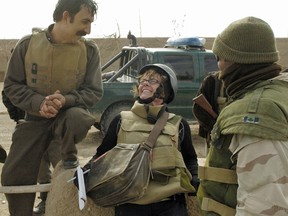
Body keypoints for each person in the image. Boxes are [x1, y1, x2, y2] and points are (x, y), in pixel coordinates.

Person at [1, 0, 103, 215]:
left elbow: (93, 91)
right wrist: (39, 103)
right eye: (85, 21)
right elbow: (12, 86)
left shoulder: (90, 50)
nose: (88, 29)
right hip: (34, 118)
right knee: (14, 176)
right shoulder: (28, 45)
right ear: (66, 16)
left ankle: (68, 156)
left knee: (74, 175)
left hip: (68, 121)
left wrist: (65, 100)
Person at [197, 16, 288, 215]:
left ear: (233, 60)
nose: (218, 66)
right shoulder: (279, 93)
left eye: (219, 58)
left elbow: (265, 205)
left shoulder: (255, 112)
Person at [80, 64, 199, 216]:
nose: (145, 83)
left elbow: (190, 158)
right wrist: (86, 172)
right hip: (130, 202)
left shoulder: (179, 124)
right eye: (142, 80)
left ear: (166, 89)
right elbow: (102, 155)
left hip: (169, 203)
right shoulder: (120, 121)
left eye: (153, 80)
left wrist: (195, 177)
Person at [2, 90, 61, 215]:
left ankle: (68, 201)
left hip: (56, 125)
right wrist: (18, 117)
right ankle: (45, 201)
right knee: (40, 167)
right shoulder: (24, 73)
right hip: (30, 126)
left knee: (63, 166)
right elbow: (8, 92)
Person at [192, 71, 227, 155]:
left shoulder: (244, 81)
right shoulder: (212, 81)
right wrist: (215, 128)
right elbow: (198, 110)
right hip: (215, 137)